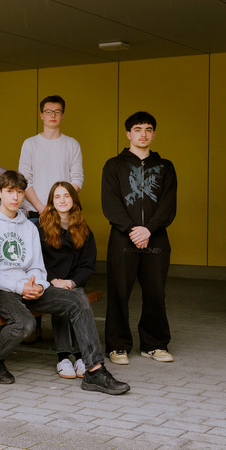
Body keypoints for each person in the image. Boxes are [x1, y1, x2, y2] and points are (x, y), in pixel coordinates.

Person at [0, 171, 129, 395]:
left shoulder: (28, 227)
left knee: (77, 299)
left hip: (30, 287)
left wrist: (38, 286)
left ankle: (94, 371)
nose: (15, 197)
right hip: (1, 290)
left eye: (19, 192)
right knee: (25, 324)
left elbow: (38, 266)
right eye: (9, 191)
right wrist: (20, 287)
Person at [102, 111, 177, 365]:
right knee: (119, 291)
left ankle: (154, 344)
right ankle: (117, 346)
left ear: (154, 134)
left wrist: (149, 229)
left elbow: (168, 204)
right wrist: (133, 230)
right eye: (137, 129)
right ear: (128, 134)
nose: (143, 134)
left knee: (156, 291)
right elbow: (110, 204)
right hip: (123, 238)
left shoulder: (165, 166)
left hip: (156, 238)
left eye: (148, 129)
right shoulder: (114, 165)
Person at [18, 94, 84, 343]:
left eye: (57, 111)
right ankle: (32, 325)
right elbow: (25, 179)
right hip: (36, 217)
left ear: (63, 115)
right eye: (48, 111)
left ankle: (64, 329)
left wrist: (59, 205)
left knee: (60, 267)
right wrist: (43, 208)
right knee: (33, 268)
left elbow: (77, 178)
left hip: (64, 216)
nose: (53, 115)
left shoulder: (71, 144)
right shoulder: (30, 143)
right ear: (41, 115)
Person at [38, 182, 97, 379]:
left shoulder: (84, 230)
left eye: (66, 196)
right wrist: (53, 280)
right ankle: (63, 357)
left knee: (78, 298)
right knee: (62, 302)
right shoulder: (41, 228)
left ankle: (81, 357)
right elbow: (37, 262)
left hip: (73, 282)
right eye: (57, 197)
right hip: (49, 282)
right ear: (51, 202)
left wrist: (72, 282)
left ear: (73, 200)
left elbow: (88, 266)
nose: (62, 200)